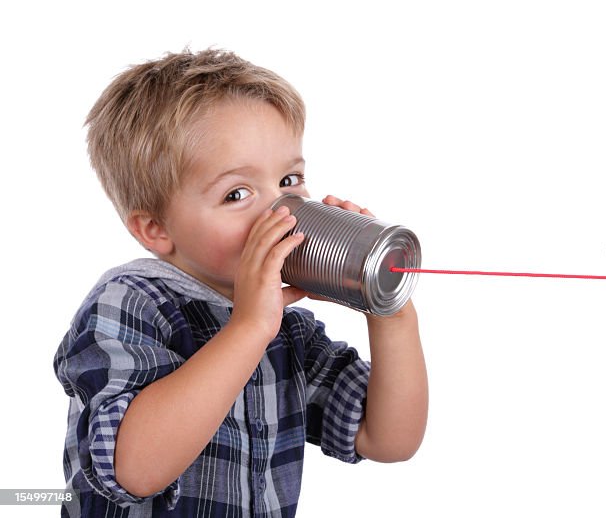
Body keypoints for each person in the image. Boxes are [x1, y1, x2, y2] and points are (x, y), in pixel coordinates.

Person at [54, 49, 428, 517]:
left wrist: (388, 311)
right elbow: (134, 469)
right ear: (156, 229)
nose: (282, 210)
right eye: (237, 193)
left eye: (289, 179)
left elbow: (387, 439)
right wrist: (249, 328)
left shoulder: (287, 330)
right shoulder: (131, 301)